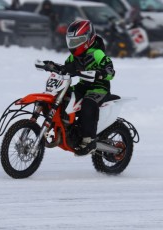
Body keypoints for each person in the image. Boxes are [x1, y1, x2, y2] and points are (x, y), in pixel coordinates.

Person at [45, 20, 115, 156]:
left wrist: (102, 73)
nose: (74, 45)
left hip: (99, 87)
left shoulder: (96, 53)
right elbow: (65, 68)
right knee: (62, 97)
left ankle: (89, 140)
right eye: (72, 41)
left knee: (88, 105)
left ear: (89, 38)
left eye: (78, 41)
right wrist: (54, 66)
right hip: (83, 86)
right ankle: (66, 128)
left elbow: (110, 69)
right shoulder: (73, 57)